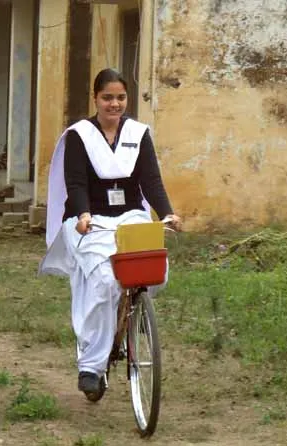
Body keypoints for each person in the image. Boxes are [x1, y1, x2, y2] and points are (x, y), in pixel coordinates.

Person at [39, 68, 181, 396]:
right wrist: (84, 213)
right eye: (107, 98)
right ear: (95, 99)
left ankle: (133, 316)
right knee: (104, 280)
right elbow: (74, 183)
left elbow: (151, 181)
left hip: (130, 215)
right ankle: (91, 364)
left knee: (154, 267)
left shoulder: (137, 133)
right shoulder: (79, 135)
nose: (114, 104)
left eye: (120, 98)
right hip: (88, 219)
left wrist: (167, 212)